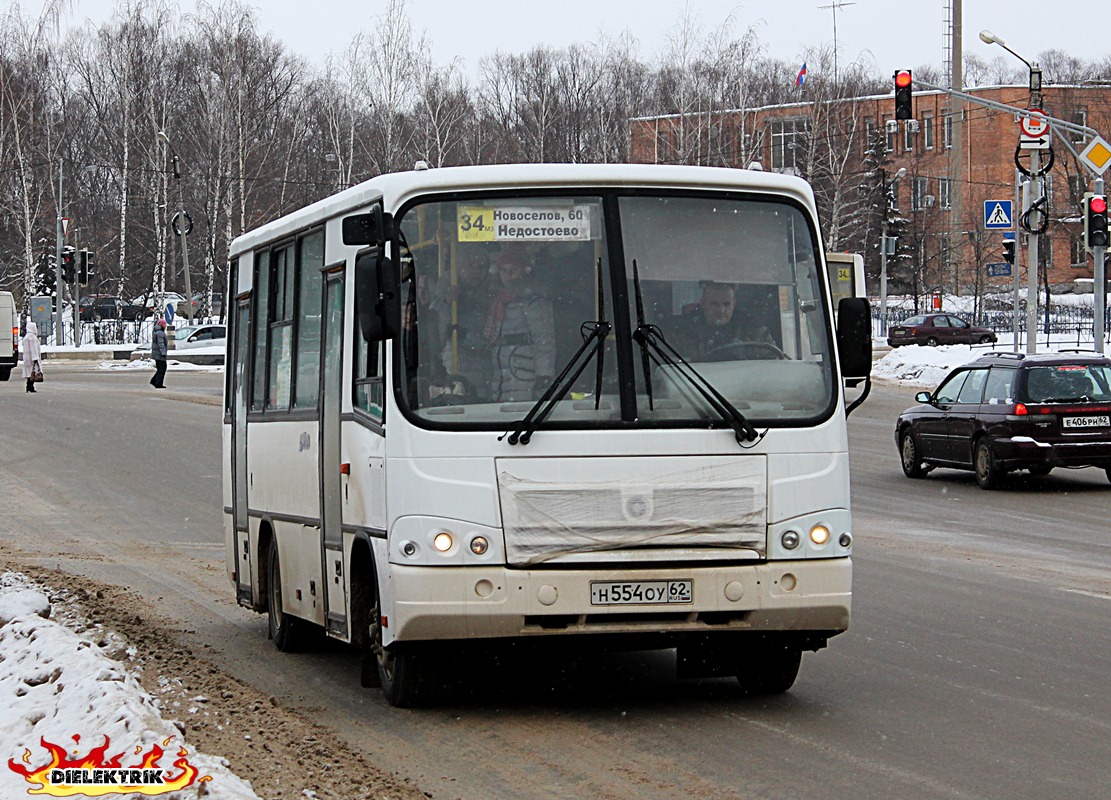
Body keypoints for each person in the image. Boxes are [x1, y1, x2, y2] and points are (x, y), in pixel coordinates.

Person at [483, 250, 555, 402]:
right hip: (500, 375)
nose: (508, 275)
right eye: (503, 270)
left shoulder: (534, 302)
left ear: (525, 271)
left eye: (513, 270)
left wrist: (544, 375)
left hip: (524, 372)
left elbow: (544, 341)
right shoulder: (498, 302)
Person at [429, 248, 497, 398]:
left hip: (488, 369)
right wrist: (447, 303)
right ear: (459, 268)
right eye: (471, 266)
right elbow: (438, 337)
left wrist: (468, 337)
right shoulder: (442, 300)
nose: (476, 272)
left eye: (481, 267)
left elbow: (490, 338)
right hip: (457, 365)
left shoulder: (492, 298)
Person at [676, 282, 776, 361]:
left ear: (734, 304)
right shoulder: (682, 332)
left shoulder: (753, 330)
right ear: (702, 303)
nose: (721, 310)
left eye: (726, 304)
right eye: (714, 304)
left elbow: (773, 361)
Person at [21, 321, 42, 393]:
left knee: (29, 373)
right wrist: (35, 359)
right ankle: (30, 386)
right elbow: (34, 349)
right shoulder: (32, 338)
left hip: (27, 358)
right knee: (33, 373)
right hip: (32, 358)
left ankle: (28, 386)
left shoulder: (26, 337)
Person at [151, 318, 168, 389]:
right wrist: (163, 353)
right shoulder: (160, 333)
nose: (166, 325)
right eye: (164, 324)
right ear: (161, 325)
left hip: (157, 353)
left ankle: (154, 381)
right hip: (159, 354)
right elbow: (161, 344)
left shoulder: (157, 331)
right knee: (162, 368)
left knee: (160, 368)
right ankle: (158, 383)